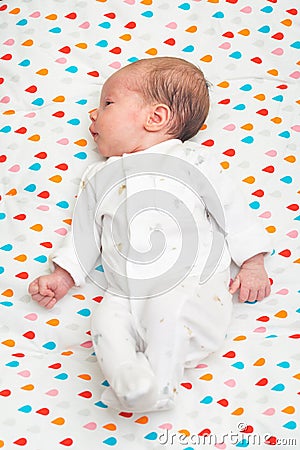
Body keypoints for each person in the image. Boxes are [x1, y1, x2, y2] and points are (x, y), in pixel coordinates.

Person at [28, 57, 271, 412]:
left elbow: (230, 209)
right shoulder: (98, 176)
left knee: (166, 309)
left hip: (189, 288)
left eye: (107, 104)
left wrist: (252, 261)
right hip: (125, 292)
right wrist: (63, 276)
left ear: (155, 118)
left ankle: (159, 385)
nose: (92, 116)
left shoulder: (190, 163)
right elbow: (83, 233)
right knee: (105, 321)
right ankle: (130, 380)